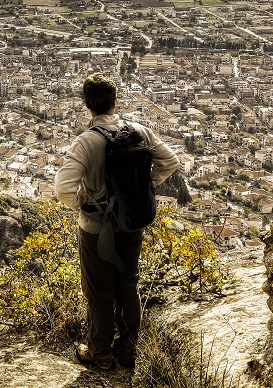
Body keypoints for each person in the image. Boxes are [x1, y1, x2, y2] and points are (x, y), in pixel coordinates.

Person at [54, 72, 180, 370]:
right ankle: (128, 352)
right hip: (132, 223)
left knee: (99, 292)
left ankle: (100, 353)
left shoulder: (85, 142)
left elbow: (62, 188)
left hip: (96, 229)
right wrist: (147, 185)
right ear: (115, 100)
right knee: (128, 286)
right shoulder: (138, 131)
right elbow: (170, 161)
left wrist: (81, 200)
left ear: (87, 105)